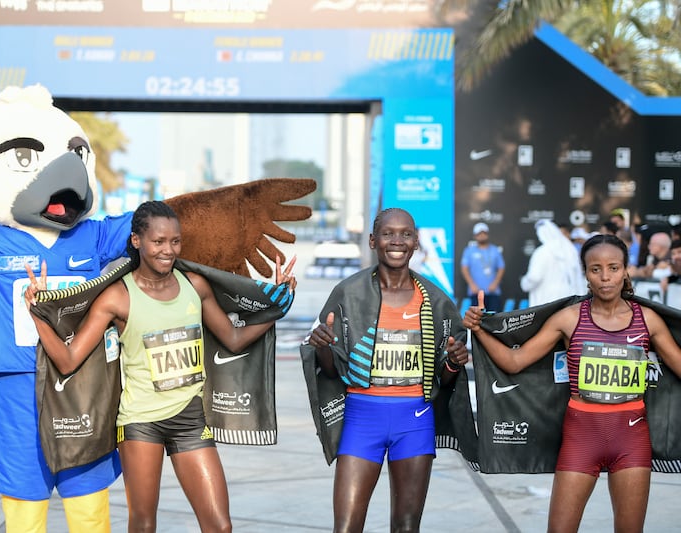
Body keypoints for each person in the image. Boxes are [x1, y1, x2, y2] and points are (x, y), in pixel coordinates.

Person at [25, 201, 297, 533]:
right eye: (158, 242)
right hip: (141, 423)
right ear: (137, 240)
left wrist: (275, 309)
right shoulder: (117, 297)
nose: (167, 250)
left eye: (175, 241)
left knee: (220, 526)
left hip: (190, 418)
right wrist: (38, 315)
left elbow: (234, 339)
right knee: (143, 524)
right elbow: (68, 362)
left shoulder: (194, 286)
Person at [464, 233, 681, 533]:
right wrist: (480, 329)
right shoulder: (569, 319)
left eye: (614, 268)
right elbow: (515, 363)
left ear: (626, 270)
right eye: (596, 269)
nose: (605, 277)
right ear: (586, 274)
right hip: (581, 438)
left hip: (631, 440)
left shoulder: (648, 320)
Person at [304, 207, 470, 532]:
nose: (397, 241)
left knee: (406, 527)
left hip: (414, 421)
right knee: (347, 526)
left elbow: (445, 378)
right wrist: (322, 347)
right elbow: (332, 371)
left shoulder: (435, 300)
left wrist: (452, 361)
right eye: (388, 233)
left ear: (416, 242)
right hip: (361, 419)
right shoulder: (348, 293)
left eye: (406, 234)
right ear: (372, 240)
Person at [519, 219, 586, 307]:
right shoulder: (570, 250)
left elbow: (534, 277)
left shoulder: (542, 252)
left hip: (545, 300)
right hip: (567, 299)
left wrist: (524, 283)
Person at [460, 221, 505, 312]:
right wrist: (472, 284)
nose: (482, 236)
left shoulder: (495, 250)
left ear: (487, 234)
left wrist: (495, 283)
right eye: (479, 234)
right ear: (475, 236)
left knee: (494, 320)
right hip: (476, 292)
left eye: (484, 233)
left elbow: (501, 267)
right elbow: (464, 268)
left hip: (493, 292)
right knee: (477, 319)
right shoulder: (469, 251)